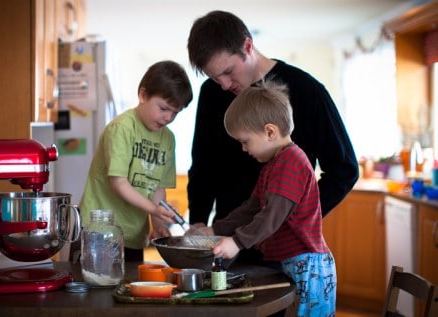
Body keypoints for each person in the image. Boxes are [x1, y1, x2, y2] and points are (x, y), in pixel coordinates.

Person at [186, 10, 359, 228]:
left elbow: (344, 170)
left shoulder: (306, 91)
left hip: (285, 248)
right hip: (227, 239)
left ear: (248, 47)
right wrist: (197, 221)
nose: (224, 85)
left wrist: (296, 220)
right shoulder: (212, 93)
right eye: (214, 77)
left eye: (229, 71)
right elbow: (204, 164)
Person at [189, 82, 337, 316]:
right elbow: (251, 208)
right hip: (294, 263)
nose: (243, 149)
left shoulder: (291, 163)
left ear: (270, 132)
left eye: (245, 141)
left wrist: (236, 242)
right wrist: (215, 230)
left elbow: (271, 217)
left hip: (310, 267)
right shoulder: (273, 166)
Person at [79, 60, 193, 262]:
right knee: (96, 288)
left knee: (127, 289)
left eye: (175, 112)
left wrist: (158, 223)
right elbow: (119, 183)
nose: (168, 117)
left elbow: (157, 190)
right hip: (99, 230)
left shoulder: (168, 139)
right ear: (143, 95)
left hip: (133, 235)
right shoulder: (122, 128)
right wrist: (153, 209)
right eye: (164, 108)